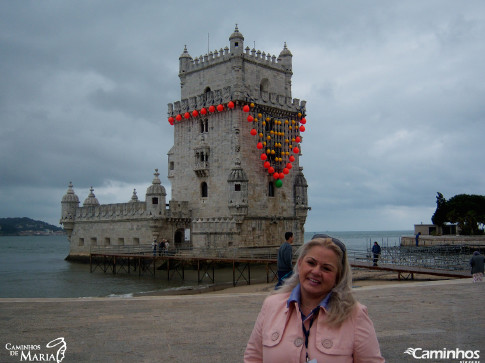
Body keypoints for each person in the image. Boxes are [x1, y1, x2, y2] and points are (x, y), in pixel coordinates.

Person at [245, 234, 385, 363]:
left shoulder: (355, 315)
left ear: (338, 276)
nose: (316, 272)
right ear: (299, 264)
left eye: (326, 268)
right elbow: (253, 358)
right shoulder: (272, 305)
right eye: (311, 263)